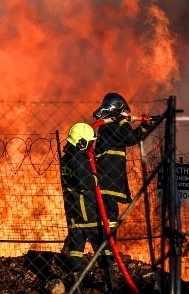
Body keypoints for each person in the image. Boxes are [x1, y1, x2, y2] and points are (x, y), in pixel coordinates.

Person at [91, 92, 163, 233]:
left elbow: (133, 138)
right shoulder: (109, 127)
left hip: (110, 180)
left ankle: (108, 250)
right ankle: (107, 250)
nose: (126, 114)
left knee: (110, 214)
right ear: (115, 110)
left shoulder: (113, 127)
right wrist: (123, 120)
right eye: (123, 111)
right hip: (106, 181)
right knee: (110, 214)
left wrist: (144, 126)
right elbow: (129, 138)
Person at [59, 122, 115, 279]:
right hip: (87, 211)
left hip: (74, 211)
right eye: (89, 142)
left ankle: (76, 280)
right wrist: (96, 179)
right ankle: (108, 280)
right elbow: (83, 182)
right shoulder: (79, 159)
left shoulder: (66, 158)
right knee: (101, 246)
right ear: (81, 142)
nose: (91, 146)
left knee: (76, 246)